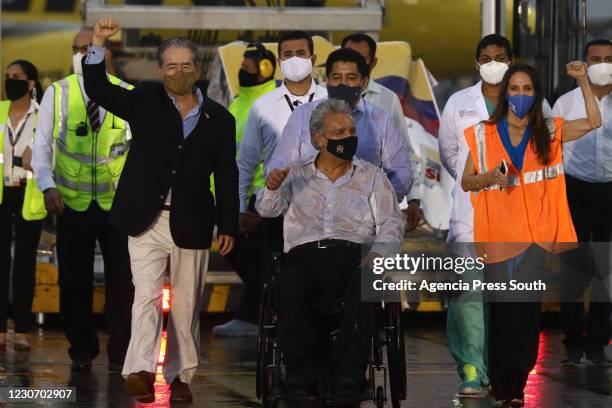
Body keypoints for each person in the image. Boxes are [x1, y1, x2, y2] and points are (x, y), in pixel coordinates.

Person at [83, 19, 238, 404]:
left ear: (197, 69)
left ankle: (181, 377)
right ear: (159, 70)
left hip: (194, 221)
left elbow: (228, 175)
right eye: (171, 66)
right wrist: (98, 43)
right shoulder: (145, 98)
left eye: (186, 66)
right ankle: (138, 371)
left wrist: (228, 223)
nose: (179, 72)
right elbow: (99, 88)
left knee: (186, 305)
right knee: (146, 297)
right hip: (144, 218)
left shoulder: (220, 119)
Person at [461, 62, 601, 407]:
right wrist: (489, 177)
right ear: (504, 92)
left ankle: (515, 386)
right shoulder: (482, 134)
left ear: (536, 95)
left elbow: (595, 122)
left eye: (527, 89)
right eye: (514, 88)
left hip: (533, 237)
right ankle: (501, 381)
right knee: (502, 314)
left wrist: (583, 81)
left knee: (524, 314)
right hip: (495, 236)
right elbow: (467, 181)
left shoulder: (550, 131)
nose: (520, 95)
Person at [256, 98, 404, 398]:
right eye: (339, 132)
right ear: (319, 138)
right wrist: (271, 188)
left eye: (351, 131)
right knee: (286, 285)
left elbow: (391, 223)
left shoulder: (372, 176)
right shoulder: (295, 174)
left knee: (367, 283)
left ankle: (349, 375)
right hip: (304, 257)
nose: (348, 137)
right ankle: (299, 374)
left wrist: (379, 255)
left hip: (354, 256)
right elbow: (267, 211)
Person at [32, 27, 134, 373]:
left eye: (88, 47)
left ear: (108, 52)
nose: (81, 54)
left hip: (117, 206)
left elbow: (138, 152)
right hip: (71, 202)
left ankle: (122, 349)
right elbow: (42, 145)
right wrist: (47, 185)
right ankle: (82, 349)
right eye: (76, 48)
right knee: (74, 280)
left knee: (124, 279)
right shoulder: (58, 93)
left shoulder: (127, 94)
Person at [214, 31, 327, 337]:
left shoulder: (332, 103)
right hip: (276, 207)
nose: (294, 60)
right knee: (282, 276)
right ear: (278, 62)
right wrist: (238, 209)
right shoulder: (263, 106)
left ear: (314, 59)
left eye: (300, 53)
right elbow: (246, 162)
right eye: (287, 54)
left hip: (326, 208)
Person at [270, 47, 414, 203]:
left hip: (362, 221)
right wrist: (278, 181)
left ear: (364, 83)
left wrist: (379, 204)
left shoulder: (380, 120)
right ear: (327, 80)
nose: (342, 84)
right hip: (310, 218)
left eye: (351, 78)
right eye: (336, 77)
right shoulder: (302, 116)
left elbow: (402, 173)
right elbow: (279, 164)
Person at [212, 43, 277, 338]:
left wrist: (256, 206)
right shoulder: (239, 102)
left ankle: (254, 316)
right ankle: (256, 313)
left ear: (265, 69)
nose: (243, 69)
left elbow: (268, 157)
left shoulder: (271, 103)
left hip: (257, 198)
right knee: (235, 252)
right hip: (232, 195)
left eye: (249, 65)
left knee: (255, 259)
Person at [554, 38, 612, 366]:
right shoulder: (565, 103)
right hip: (574, 188)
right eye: (596, 58)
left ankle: (598, 343)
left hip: (611, 190)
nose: (603, 63)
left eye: (608, 58)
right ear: (584, 63)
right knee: (573, 268)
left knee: (607, 270)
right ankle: (573, 341)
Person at [341, 33, 421, 231]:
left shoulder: (387, 100)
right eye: (349, 56)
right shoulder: (324, 97)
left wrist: (413, 200)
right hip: (330, 204)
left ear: (373, 63)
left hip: (372, 206)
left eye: (361, 58)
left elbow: (404, 153)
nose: (355, 63)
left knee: (369, 260)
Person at [0, 60, 46, 352]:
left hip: (29, 194)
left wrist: (38, 156)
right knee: (0, 260)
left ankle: (22, 329)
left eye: (16, 77)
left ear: (30, 83)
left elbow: (53, 150)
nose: (10, 80)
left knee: (25, 262)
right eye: (7, 76)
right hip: (2, 193)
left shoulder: (43, 116)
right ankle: (1, 327)